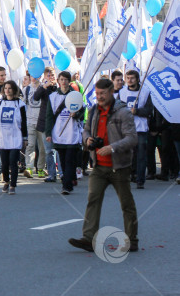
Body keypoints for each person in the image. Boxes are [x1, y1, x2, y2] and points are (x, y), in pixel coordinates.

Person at [69, 78, 139, 253]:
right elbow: (85, 129)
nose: (99, 97)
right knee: (93, 200)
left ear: (111, 92)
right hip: (99, 166)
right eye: (97, 93)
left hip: (119, 166)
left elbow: (132, 138)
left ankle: (132, 240)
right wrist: (88, 139)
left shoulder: (123, 112)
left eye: (102, 93)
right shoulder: (93, 111)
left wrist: (112, 148)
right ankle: (88, 238)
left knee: (126, 204)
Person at [46, 71, 85, 195]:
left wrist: (76, 114)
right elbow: (49, 116)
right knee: (62, 160)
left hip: (72, 133)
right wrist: (48, 133)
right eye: (61, 79)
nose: (63, 82)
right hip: (59, 133)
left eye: (66, 79)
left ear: (69, 81)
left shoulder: (76, 96)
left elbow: (82, 112)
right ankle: (69, 178)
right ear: (58, 81)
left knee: (69, 160)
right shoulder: (53, 97)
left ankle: (66, 186)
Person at [120, 70, 154, 189]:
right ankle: (130, 175)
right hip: (127, 129)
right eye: (128, 78)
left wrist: (137, 111)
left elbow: (149, 110)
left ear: (138, 79)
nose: (129, 80)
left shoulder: (144, 92)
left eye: (132, 78)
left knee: (141, 155)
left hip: (140, 129)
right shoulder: (122, 92)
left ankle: (140, 180)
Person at [0, 81, 27, 194]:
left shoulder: (20, 104)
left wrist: (25, 138)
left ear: (14, 90)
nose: (7, 90)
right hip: (3, 137)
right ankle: (6, 182)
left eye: (9, 88)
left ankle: (13, 184)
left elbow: (24, 122)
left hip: (15, 137)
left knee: (13, 162)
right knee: (4, 163)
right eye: (5, 88)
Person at [23, 72, 46, 178]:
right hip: (30, 121)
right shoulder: (26, 89)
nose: (34, 78)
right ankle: (29, 168)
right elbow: (23, 105)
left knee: (42, 147)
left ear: (40, 76)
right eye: (32, 75)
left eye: (36, 75)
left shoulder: (44, 88)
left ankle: (41, 168)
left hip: (41, 122)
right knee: (30, 145)